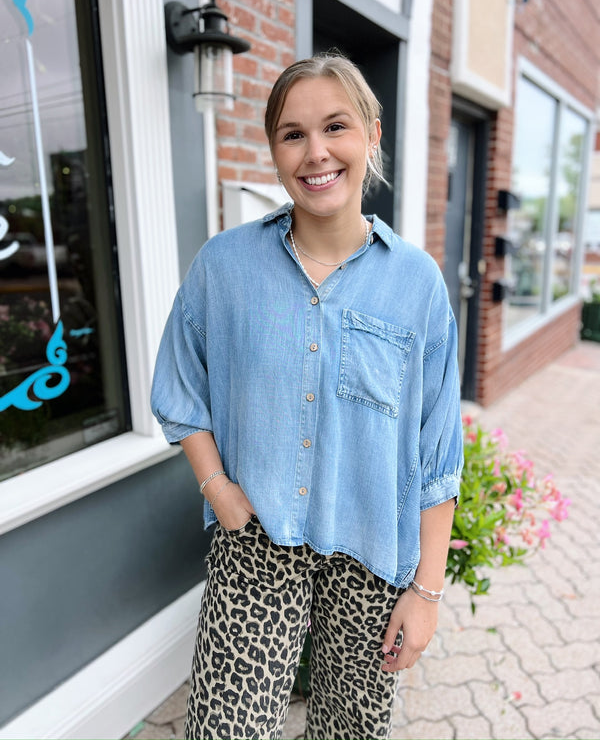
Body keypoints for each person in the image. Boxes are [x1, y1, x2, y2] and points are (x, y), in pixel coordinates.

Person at [151, 52, 463, 740]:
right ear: (273, 150)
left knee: (351, 731)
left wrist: (427, 593)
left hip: (371, 549)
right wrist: (218, 489)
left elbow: (437, 453)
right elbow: (178, 387)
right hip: (255, 541)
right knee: (224, 729)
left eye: (335, 127)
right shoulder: (225, 267)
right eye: (292, 134)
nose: (315, 152)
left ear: (372, 135)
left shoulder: (416, 283)